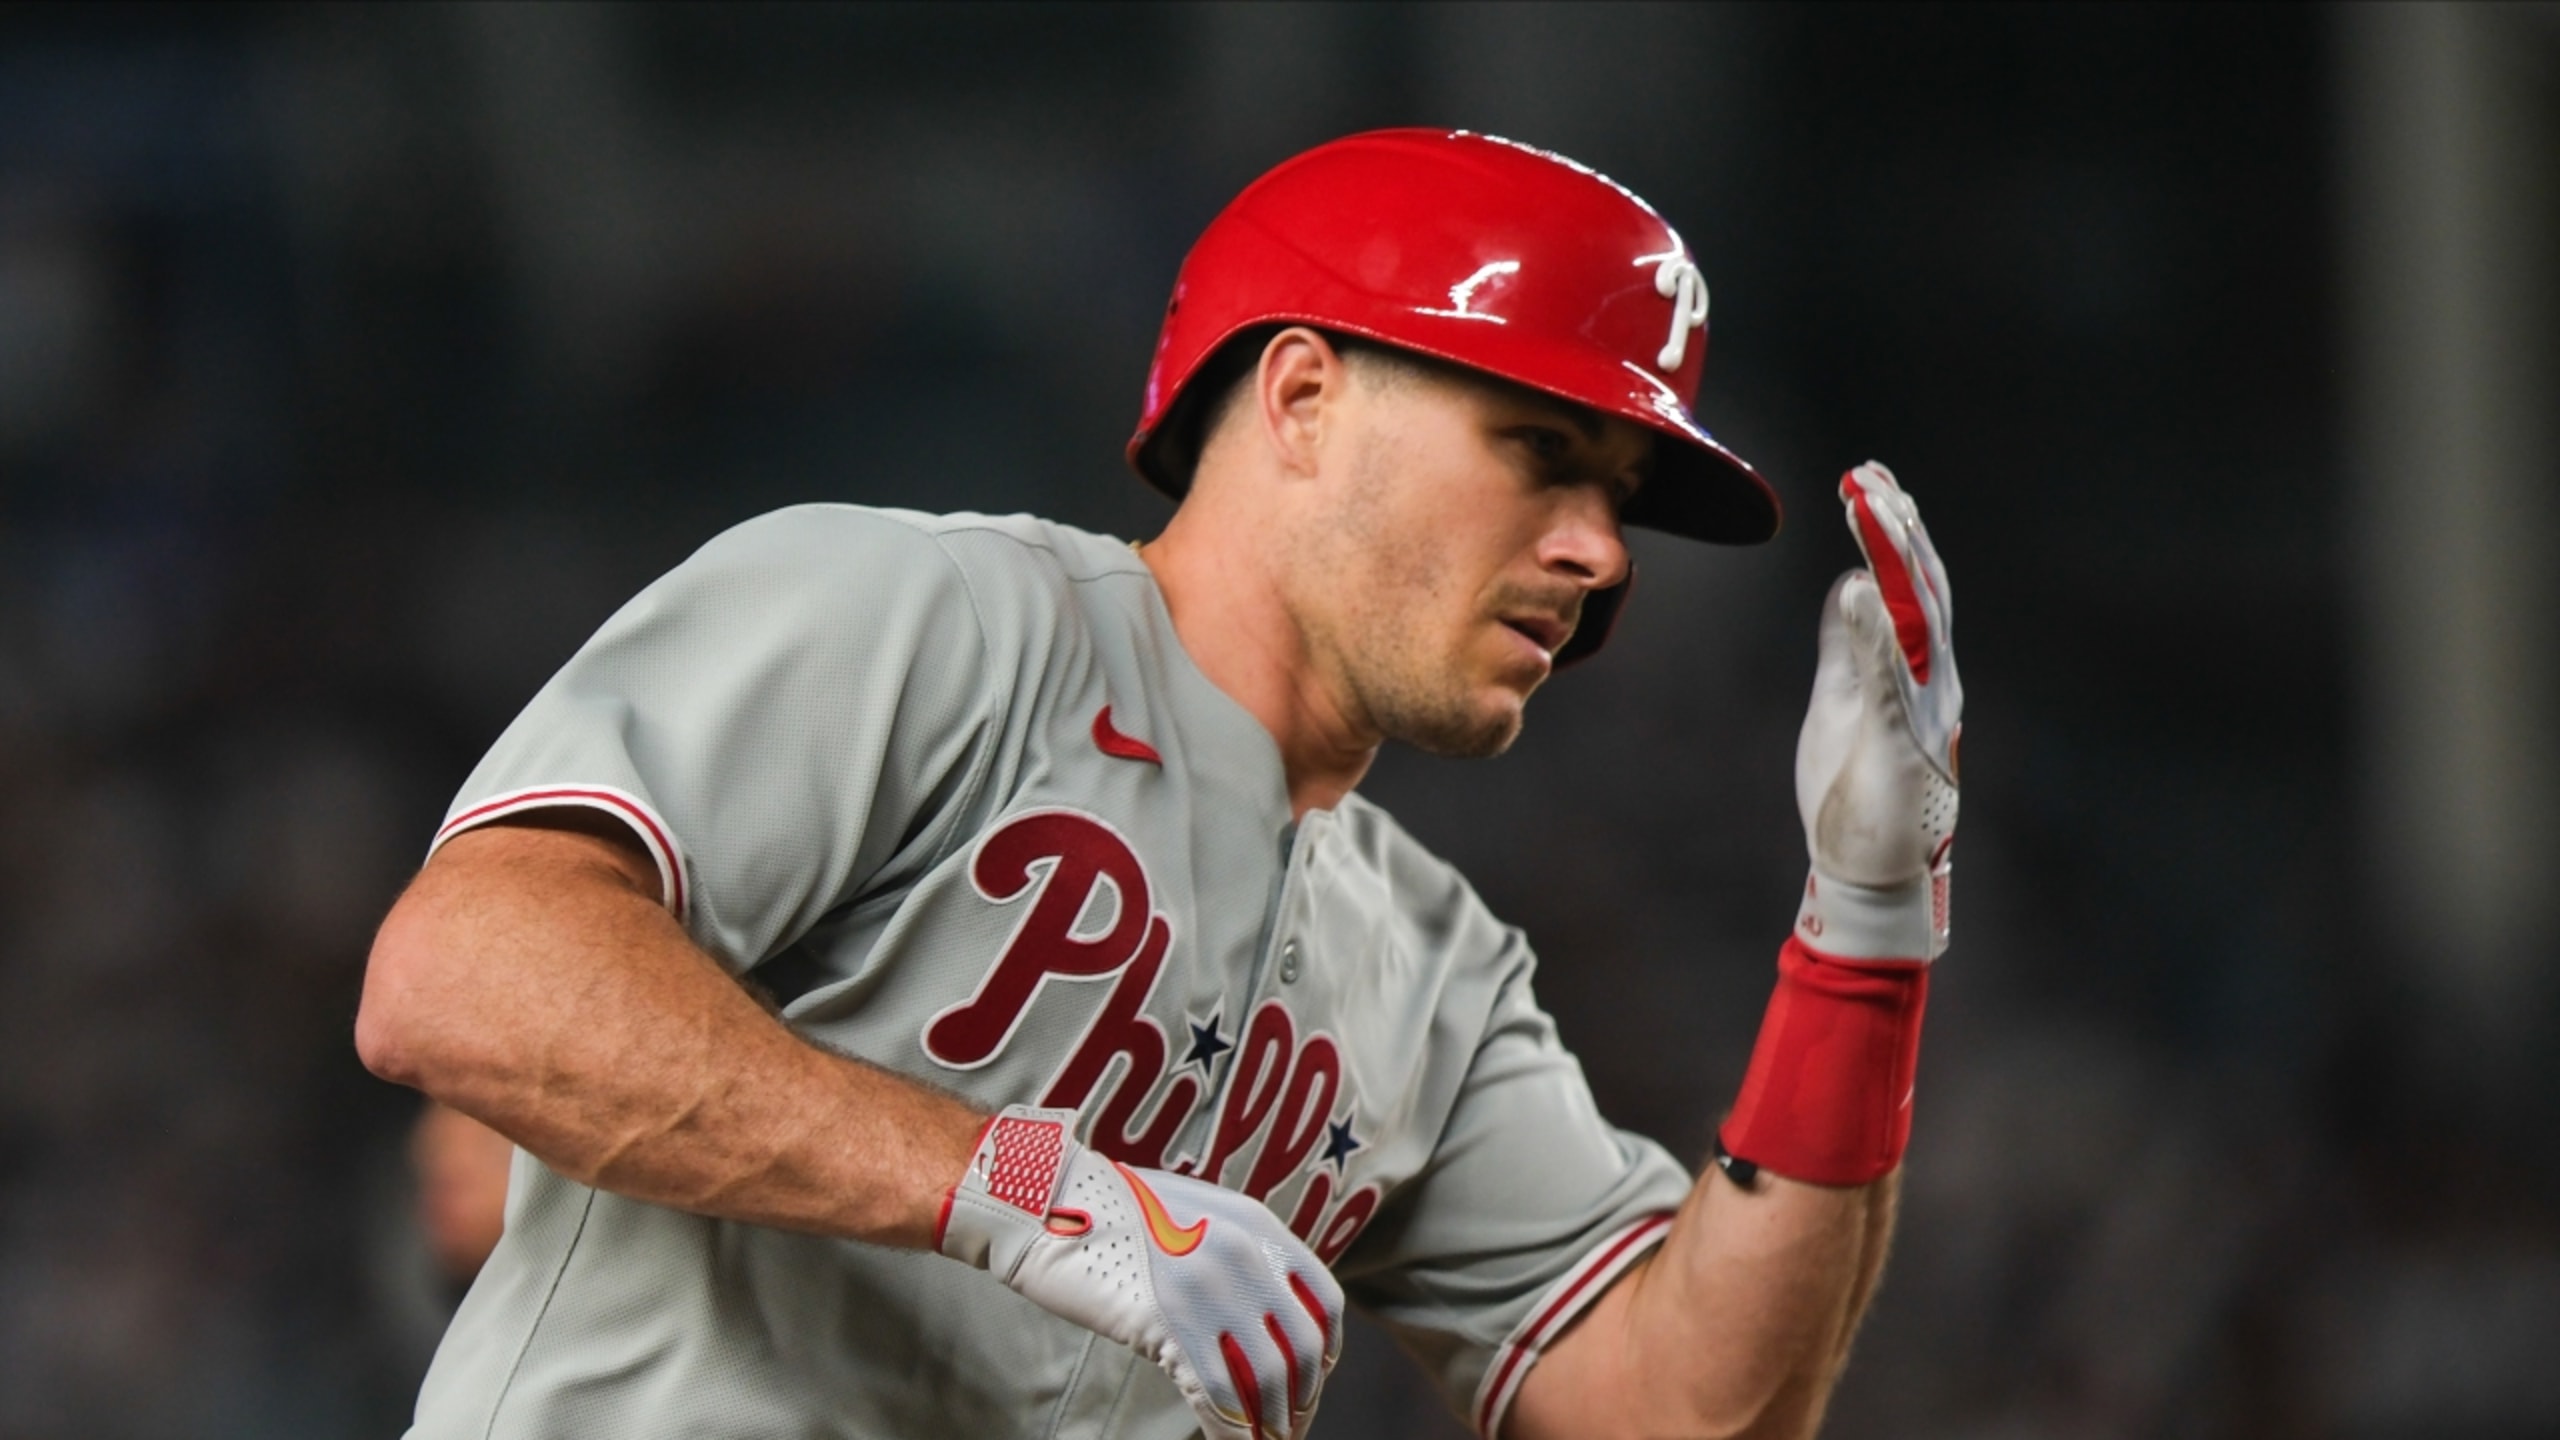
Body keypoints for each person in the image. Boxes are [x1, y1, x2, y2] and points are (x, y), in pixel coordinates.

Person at [357, 128, 1962, 1440]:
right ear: (1302, 399)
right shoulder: (937, 618)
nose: (1602, 553)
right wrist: (1025, 1189)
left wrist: (1868, 931)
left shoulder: (1436, 975)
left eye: (1620, 496)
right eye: (1541, 453)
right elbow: (461, 974)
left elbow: (1677, 1412)